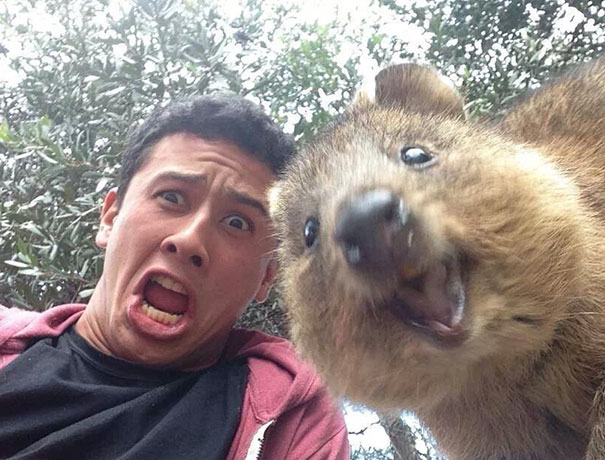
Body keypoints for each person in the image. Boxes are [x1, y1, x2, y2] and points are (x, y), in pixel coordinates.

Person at [0, 94, 350, 459]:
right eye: (171, 197)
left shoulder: (297, 421)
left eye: (237, 222)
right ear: (110, 218)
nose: (190, 240)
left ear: (267, 276)